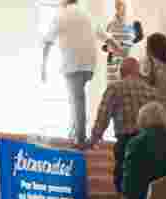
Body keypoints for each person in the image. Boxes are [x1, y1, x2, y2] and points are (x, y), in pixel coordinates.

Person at [42, 0, 120, 145]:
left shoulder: (61, 15)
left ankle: (80, 138)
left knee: (77, 99)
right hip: (89, 65)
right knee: (76, 98)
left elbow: (48, 41)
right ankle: (75, 132)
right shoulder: (87, 14)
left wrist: (43, 66)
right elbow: (106, 37)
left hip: (73, 64)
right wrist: (119, 51)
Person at [83, 56, 158, 194]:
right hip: (149, 141)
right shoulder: (151, 90)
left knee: (123, 178)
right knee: (144, 180)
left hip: (127, 141)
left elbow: (103, 115)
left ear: (121, 72)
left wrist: (93, 139)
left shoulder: (115, 87)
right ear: (138, 71)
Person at [142, 32, 166, 132]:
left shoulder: (165, 71)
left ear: (152, 49)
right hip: (158, 119)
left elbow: (159, 97)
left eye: (147, 46)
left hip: (164, 120)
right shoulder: (155, 69)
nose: (145, 49)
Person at [103, 0, 143, 85]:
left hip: (128, 64)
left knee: (128, 87)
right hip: (113, 65)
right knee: (113, 88)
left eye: (123, 5)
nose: (121, 8)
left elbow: (139, 40)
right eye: (118, 5)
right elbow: (105, 46)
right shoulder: (110, 24)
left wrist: (126, 45)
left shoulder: (134, 23)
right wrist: (109, 48)